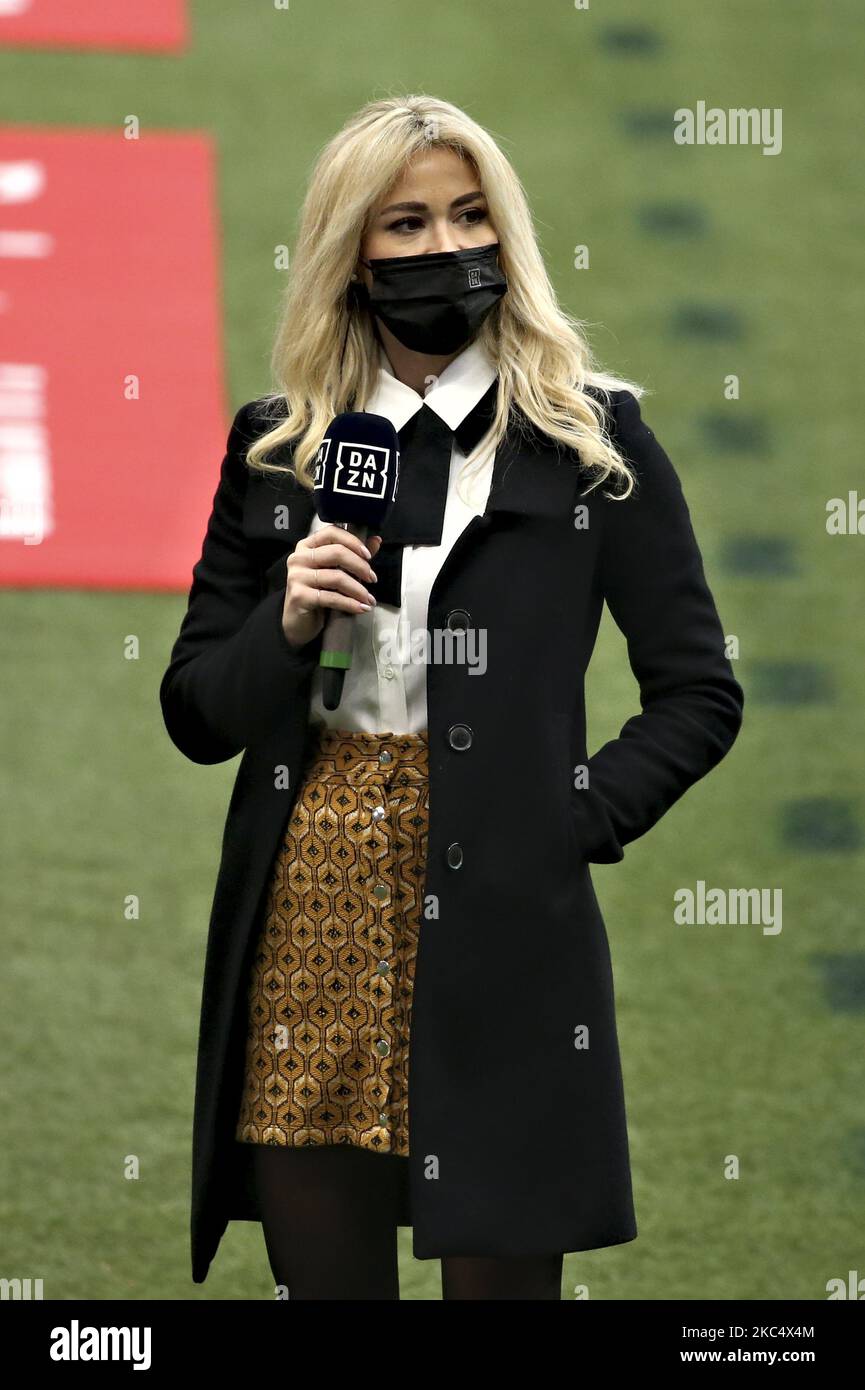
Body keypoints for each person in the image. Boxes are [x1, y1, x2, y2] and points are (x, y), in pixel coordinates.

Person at [159, 94, 745, 1301]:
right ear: (349, 253)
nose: (444, 249)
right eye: (407, 223)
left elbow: (696, 688)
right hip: (312, 898)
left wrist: (571, 815)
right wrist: (286, 621)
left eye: (470, 216)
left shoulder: (589, 439)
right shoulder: (282, 447)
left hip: (504, 910)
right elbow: (194, 710)